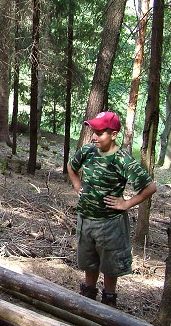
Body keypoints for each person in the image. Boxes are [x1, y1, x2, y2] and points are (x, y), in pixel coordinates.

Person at [67, 111, 157, 307]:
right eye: (93, 131)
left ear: (114, 134)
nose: (94, 136)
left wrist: (126, 204)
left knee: (109, 265)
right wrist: (77, 184)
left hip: (110, 223)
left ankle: (108, 301)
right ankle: (88, 296)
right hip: (86, 219)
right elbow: (71, 166)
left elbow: (150, 187)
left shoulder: (122, 160)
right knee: (89, 260)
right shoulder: (87, 151)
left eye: (99, 133)